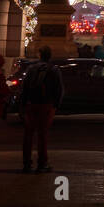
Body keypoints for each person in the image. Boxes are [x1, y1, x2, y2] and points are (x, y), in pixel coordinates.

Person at [21, 45, 64, 174]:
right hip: (46, 105)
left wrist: (23, 104)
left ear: (40, 55)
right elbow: (59, 89)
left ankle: (27, 163)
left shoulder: (31, 69)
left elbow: (25, 87)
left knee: (28, 134)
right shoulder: (54, 70)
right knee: (42, 134)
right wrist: (56, 105)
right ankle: (42, 163)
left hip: (31, 104)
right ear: (50, 56)